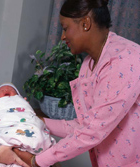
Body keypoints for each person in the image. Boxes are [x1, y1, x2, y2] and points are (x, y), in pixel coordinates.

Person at [14, 0, 140, 166]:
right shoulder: (89, 65)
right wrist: (37, 121)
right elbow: (84, 125)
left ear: (85, 23)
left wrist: (37, 161)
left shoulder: (125, 59)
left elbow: (93, 131)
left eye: (65, 28)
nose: (62, 36)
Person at [0, 83, 55, 155]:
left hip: (28, 124)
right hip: (9, 128)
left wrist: (23, 102)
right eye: (1, 90)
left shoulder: (20, 101)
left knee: (38, 131)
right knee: (6, 137)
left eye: (11, 89)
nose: (6, 90)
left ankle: (38, 141)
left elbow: (27, 113)